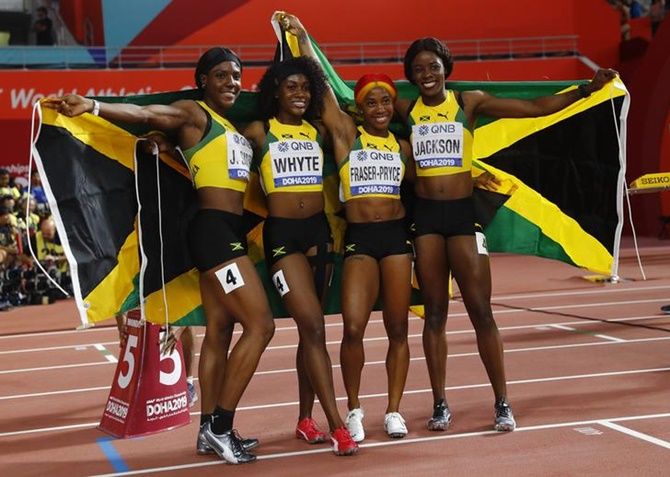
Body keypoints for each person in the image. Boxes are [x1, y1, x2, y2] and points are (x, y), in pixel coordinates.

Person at [44, 47, 276, 464]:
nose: (231, 83)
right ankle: (223, 428)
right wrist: (94, 106)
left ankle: (208, 430)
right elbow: (149, 115)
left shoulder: (228, 124)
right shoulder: (193, 113)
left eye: (237, 76)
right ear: (202, 80)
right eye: (221, 75)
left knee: (220, 333)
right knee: (260, 326)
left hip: (223, 232)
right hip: (215, 236)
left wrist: (165, 149)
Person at [395, 37, 617, 432]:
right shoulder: (404, 108)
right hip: (426, 219)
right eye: (418, 70)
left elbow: (533, 109)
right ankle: (440, 403)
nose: (426, 75)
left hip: (463, 216)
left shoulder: (469, 103)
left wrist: (588, 89)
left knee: (482, 311)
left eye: (433, 67)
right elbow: (349, 102)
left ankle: (502, 402)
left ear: (446, 68)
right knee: (435, 314)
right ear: (410, 77)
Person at [278, 13, 414, 443]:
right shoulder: (346, 134)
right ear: (360, 106)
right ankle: (353, 408)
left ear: (393, 106)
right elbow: (322, 90)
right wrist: (303, 40)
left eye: (386, 101)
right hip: (359, 241)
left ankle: (393, 410)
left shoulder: (403, 146)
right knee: (353, 327)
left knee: (398, 329)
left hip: (396, 241)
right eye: (371, 101)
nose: (379, 108)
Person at [242, 46, 358, 455]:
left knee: (312, 331)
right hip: (282, 236)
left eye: (306, 88)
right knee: (313, 326)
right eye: (291, 86)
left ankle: (306, 419)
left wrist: (304, 47)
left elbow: (337, 116)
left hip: (319, 232)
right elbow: (223, 157)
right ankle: (338, 425)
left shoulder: (318, 131)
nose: (301, 94)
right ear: (274, 91)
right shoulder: (259, 131)